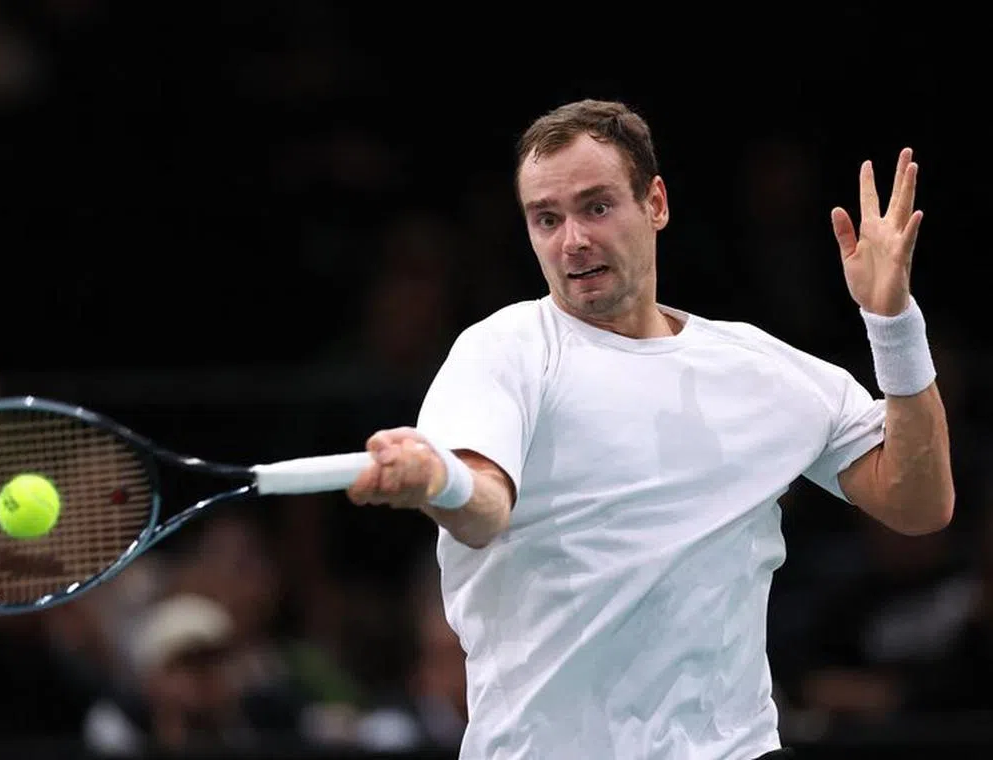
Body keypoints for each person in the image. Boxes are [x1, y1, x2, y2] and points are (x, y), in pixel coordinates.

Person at [344, 99, 954, 760]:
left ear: (655, 203)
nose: (571, 239)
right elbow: (484, 507)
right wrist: (439, 478)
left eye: (596, 207)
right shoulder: (503, 351)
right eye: (546, 219)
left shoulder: (766, 373)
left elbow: (918, 504)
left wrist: (893, 325)